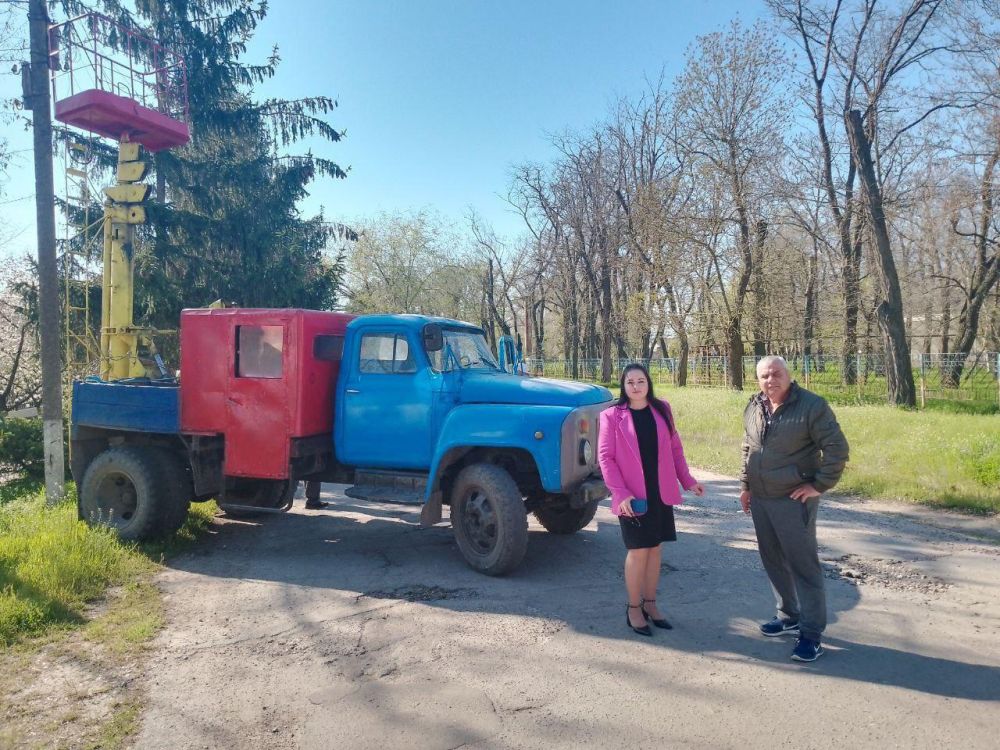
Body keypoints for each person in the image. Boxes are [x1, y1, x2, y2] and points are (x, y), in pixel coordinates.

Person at [739, 355, 849, 663]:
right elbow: (748, 446)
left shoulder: (812, 406)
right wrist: (746, 485)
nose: (770, 380)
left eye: (776, 374)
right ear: (757, 379)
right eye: (764, 375)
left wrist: (819, 485)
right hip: (761, 499)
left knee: (803, 566)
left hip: (793, 499)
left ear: (789, 374)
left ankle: (811, 635)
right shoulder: (754, 405)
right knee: (773, 560)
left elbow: (837, 448)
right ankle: (788, 616)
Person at [598, 363, 704, 636]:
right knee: (638, 550)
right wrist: (620, 492)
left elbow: (675, 448)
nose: (636, 386)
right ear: (623, 386)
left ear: (648, 383)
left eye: (640, 381)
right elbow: (606, 458)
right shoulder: (611, 416)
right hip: (632, 497)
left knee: (655, 548)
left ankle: (651, 604)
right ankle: (634, 608)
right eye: (630, 382)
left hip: (660, 492)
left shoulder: (662, 409)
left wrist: (688, 480)